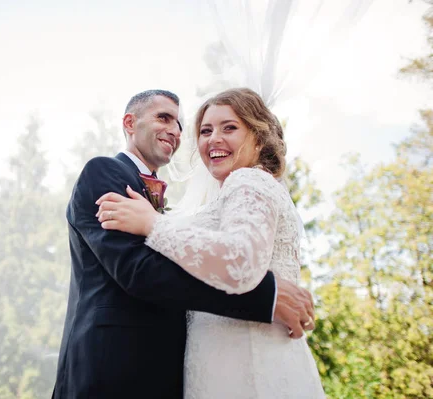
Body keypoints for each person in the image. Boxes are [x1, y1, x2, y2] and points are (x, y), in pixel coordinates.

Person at [53, 89, 315, 399]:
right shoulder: (103, 173)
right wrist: (266, 296)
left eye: (179, 124)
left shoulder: (234, 188)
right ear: (129, 123)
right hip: (110, 373)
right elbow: (141, 271)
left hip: (181, 373)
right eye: (163, 117)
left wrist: (155, 222)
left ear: (257, 137)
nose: (175, 131)